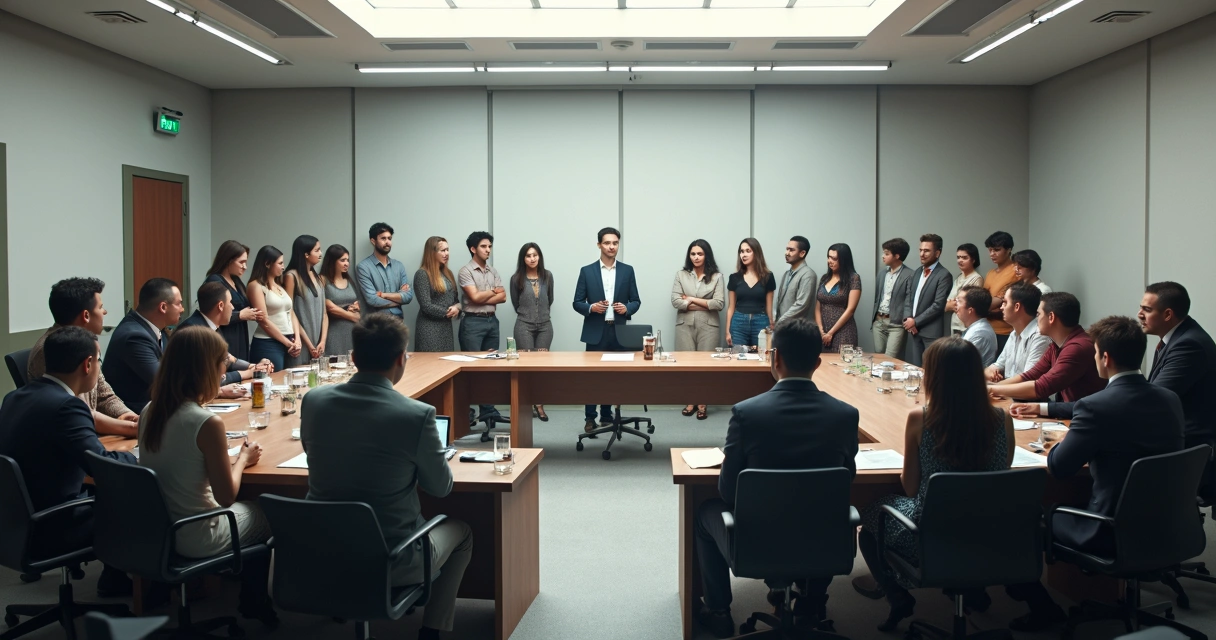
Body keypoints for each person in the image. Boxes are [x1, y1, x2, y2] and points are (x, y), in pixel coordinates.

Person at [1005, 316, 1184, 630]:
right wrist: (1048, 410)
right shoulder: (1169, 399)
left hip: (1107, 527)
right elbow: (1100, 408)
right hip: (1167, 522)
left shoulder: (1096, 409)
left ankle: (1042, 608)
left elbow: (1060, 468)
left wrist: (1066, 439)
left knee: (1021, 516)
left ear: (1105, 357)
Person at [301, 316, 473, 640]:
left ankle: (342, 602)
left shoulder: (313, 401)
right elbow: (440, 487)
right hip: (392, 557)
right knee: (462, 534)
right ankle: (431, 631)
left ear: (353, 358)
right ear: (401, 359)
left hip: (320, 552)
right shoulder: (416, 415)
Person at [694, 318, 859, 638]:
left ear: (775, 357)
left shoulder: (746, 413)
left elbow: (728, 492)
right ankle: (811, 604)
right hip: (821, 542)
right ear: (817, 362)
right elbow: (846, 480)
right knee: (822, 510)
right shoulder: (845, 415)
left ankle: (718, 612)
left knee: (704, 514)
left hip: (758, 543)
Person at [858, 337, 1015, 632]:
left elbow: (909, 488)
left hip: (928, 535)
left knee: (871, 517)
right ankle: (970, 588)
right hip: (989, 532)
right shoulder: (1000, 418)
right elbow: (1000, 477)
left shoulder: (922, 418)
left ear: (933, 375)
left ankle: (897, 597)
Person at [136, 326, 276, 625]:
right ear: (205, 369)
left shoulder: (150, 410)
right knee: (267, 509)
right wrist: (242, 460)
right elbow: (227, 497)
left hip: (157, 530)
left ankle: (218, 583)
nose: (224, 371)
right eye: (221, 365)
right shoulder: (205, 422)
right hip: (199, 534)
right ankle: (254, 602)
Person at [0, 326, 138, 597]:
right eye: (98, 362)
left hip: (13, 523)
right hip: (51, 526)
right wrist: (137, 456)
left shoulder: (14, 397)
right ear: (88, 364)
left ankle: (115, 577)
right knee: (141, 500)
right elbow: (103, 467)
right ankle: (148, 589)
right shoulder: (67, 406)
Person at [28, 277, 139, 437]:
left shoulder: (86, 344)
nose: (104, 312)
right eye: (101, 307)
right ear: (86, 315)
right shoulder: (49, 350)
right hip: (69, 438)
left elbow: (104, 394)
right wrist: (130, 428)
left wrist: (130, 417)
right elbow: (76, 413)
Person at [1138, 281, 1216, 500]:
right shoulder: (1175, 338)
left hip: (1186, 445)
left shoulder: (1189, 345)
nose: (1139, 314)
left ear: (1168, 314)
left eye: (1147, 309)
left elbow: (1153, 399)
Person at [574, 227, 641, 433]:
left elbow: (636, 301)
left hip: (619, 332)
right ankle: (590, 418)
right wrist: (591, 307)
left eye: (615, 243)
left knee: (614, 377)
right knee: (592, 378)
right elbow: (577, 302)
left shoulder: (627, 270)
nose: (611, 247)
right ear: (599, 245)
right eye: (607, 243)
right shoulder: (587, 271)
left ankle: (606, 415)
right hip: (596, 331)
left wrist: (627, 309)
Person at [988, 292, 1105, 402]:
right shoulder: (1056, 345)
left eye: (1038, 314)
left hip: (1085, 418)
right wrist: (993, 387)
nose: (1036, 319)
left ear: (1051, 317)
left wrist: (991, 389)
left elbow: (1041, 387)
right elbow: (1030, 375)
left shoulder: (1077, 348)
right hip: (1070, 412)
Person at [103, 278, 184, 413]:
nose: (182, 309)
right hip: (134, 417)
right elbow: (165, 381)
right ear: (163, 307)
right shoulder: (134, 336)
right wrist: (218, 385)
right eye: (179, 304)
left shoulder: (158, 330)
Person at [178, 281, 272, 386]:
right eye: (230, 302)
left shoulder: (211, 325)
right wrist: (249, 373)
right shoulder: (194, 331)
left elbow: (226, 358)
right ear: (220, 306)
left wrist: (253, 366)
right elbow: (210, 378)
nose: (232, 307)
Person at [672, 239, 726, 420]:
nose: (696, 257)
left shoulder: (717, 277)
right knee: (687, 366)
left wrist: (691, 300)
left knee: (705, 367)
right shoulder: (681, 275)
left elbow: (718, 304)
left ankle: (703, 403)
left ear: (706, 255)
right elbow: (675, 301)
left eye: (700, 254)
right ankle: (690, 401)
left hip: (708, 326)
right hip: (684, 325)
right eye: (693, 254)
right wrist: (704, 304)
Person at [459, 231, 507, 424]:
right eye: (483, 246)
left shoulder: (493, 271)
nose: (488, 250)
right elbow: (474, 298)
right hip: (472, 322)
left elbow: (503, 297)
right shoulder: (465, 271)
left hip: (491, 321)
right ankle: (468, 411)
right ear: (473, 249)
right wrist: (492, 292)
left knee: (490, 367)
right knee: (472, 369)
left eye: (489, 246)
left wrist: (485, 294)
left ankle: (488, 411)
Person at [510, 242, 555, 422]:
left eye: (535, 255)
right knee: (526, 368)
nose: (532, 259)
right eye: (528, 256)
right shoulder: (516, 278)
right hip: (523, 326)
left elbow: (549, 299)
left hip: (545, 326)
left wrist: (540, 314)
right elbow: (515, 303)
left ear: (539, 257)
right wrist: (529, 314)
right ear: (523, 259)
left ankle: (539, 405)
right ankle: (526, 405)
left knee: (540, 368)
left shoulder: (548, 276)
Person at [204, 240, 264, 362]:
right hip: (225, 335)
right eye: (241, 262)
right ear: (228, 260)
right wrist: (240, 315)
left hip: (240, 334)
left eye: (246, 262)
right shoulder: (214, 280)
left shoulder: (236, 280)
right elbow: (212, 314)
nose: (245, 267)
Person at [247, 245, 303, 371]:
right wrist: (288, 343)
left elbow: (291, 312)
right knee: (273, 383)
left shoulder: (279, 285)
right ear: (267, 263)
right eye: (280, 263)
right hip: (268, 343)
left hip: (289, 340)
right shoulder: (255, 286)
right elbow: (263, 320)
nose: (283, 267)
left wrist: (297, 340)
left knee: (292, 382)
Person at [901, 234, 953, 366]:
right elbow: (908, 297)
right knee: (916, 368)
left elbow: (938, 305)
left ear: (937, 253)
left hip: (931, 332)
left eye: (926, 250)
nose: (922, 254)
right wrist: (908, 319)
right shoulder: (917, 272)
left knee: (930, 369)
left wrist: (915, 321)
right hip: (913, 330)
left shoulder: (944, 275)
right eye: (920, 250)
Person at [985, 283, 1051, 382]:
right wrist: (990, 373)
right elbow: (996, 366)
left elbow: (1028, 379)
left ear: (1017, 306)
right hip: (1008, 391)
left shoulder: (1040, 336)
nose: (1001, 307)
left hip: (1023, 395)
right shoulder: (1014, 333)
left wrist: (995, 388)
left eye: (1005, 302)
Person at [284, 235, 328, 367]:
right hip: (301, 341)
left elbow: (324, 313)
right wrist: (309, 344)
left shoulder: (318, 277)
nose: (320, 254)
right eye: (317, 250)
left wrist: (323, 341)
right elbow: (290, 312)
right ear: (306, 254)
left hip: (318, 342)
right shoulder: (291, 276)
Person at [725, 238, 775, 351]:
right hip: (738, 322)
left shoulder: (768, 277)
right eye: (741, 251)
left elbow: (769, 307)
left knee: (761, 357)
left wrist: (770, 325)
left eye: (748, 251)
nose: (744, 254)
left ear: (756, 253)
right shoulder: (734, 277)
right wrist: (727, 331)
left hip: (761, 321)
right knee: (738, 358)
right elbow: (731, 307)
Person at [356, 222, 413, 319]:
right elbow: (372, 300)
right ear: (373, 241)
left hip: (398, 323)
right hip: (375, 324)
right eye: (383, 238)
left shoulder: (399, 266)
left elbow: (408, 297)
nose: (387, 242)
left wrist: (383, 295)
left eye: (389, 238)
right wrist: (399, 298)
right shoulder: (363, 267)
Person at [414, 236, 461, 352]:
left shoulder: (448, 273)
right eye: (442, 250)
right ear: (432, 253)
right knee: (430, 365)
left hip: (445, 327)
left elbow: (456, 300)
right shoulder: (422, 274)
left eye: (447, 250)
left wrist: (457, 307)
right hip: (429, 328)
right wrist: (448, 312)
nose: (447, 253)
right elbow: (426, 305)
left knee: (447, 364)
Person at [871, 238, 914, 359]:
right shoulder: (882, 273)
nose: (882, 256)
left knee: (891, 359)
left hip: (896, 324)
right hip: (879, 321)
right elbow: (878, 297)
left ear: (897, 256)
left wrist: (905, 319)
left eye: (886, 253)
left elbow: (908, 300)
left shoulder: (910, 274)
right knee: (879, 356)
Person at [815, 243, 862, 353]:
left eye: (834, 258)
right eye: (828, 257)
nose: (829, 261)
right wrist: (821, 331)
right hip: (823, 331)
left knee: (841, 364)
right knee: (823, 365)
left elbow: (851, 309)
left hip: (843, 331)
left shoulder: (853, 278)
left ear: (844, 259)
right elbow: (818, 307)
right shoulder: (824, 278)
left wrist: (831, 333)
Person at [321, 244, 359, 357]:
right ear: (332, 261)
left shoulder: (349, 279)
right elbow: (328, 306)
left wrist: (357, 306)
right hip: (334, 331)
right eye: (342, 260)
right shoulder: (323, 279)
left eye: (348, 260)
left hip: (353, 331)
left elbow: (357, 300)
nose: (346, 263)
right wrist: (351, 316)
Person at [982, 231, 1019, 346]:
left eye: (997, 250)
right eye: (990, 250)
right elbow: (983, 300)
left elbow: (993, 303)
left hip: (1006, 331)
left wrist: (982, 309)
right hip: (988, 328)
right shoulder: (990, 273)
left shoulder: (1016, 271)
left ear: (1009, 250)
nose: (992, 254)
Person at [774, 236, 816, 324]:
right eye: (787, 249)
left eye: (791, 250)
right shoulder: (786, 274)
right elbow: (780, 303)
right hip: (784, 328)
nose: (787, 253)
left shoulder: (808, 275)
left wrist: (780, 321)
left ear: (802, 253)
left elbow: (801, 305)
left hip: (798, 330)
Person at [945, 243, 985, 336]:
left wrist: (949, 304)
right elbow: (949, 301)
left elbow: (967, 303)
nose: (960, 260)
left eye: (964, 258)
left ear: (973, 260)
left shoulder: (976, 278)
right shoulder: (959, 277)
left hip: (965, 325)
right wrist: (948, 304)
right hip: (955, 323)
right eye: (958, 257)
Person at [954, 286, 998, 367]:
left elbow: (960, 365)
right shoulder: (976, 328)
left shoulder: (979, 333)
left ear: (970, 310)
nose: (955, 304)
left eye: (959, 301)